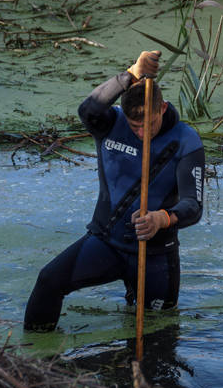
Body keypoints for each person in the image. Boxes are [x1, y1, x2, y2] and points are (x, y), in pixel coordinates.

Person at [23, 50, 205, 331]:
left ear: (163, 109)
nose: (143, 133)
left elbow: (194, 205)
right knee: (49, 281)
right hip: (105, 242)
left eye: (150, 124)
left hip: (155, 256)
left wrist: (161, 219)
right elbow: (88, 109)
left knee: (156, 346)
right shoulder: (110, 124)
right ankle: (34, 366)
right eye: (135, 127)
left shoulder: (185, 140)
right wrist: (130, 74)